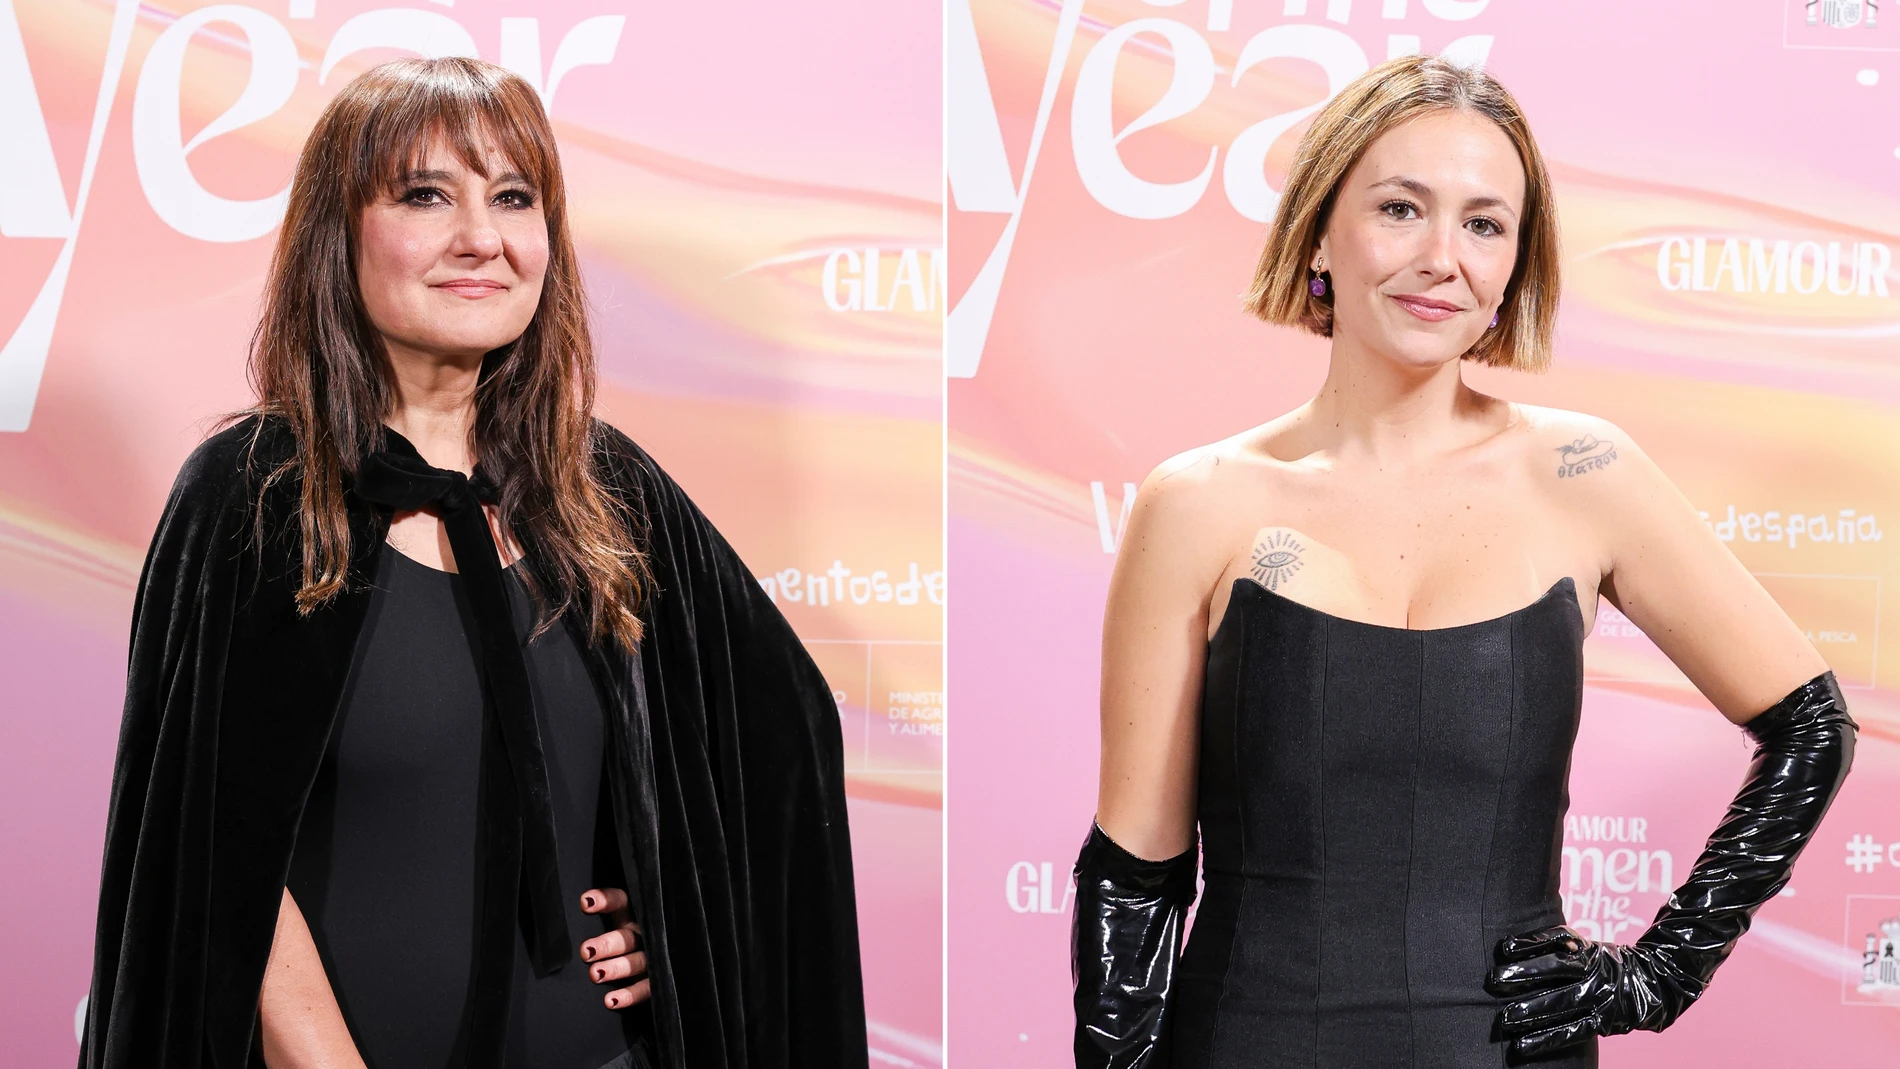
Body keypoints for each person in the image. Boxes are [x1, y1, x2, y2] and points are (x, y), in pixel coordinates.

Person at [79, 58, 866, 1069]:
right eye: (424, 195)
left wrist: (685, 920)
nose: (481, 239)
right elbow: (203, 854)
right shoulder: (255, 495)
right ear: (340, 234)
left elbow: (782, 741)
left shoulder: (606, 490)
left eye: (512, 197)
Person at [1072, 54, 1854, 1068]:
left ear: (1514, 264)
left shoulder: (1585, 472)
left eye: (1484, 224)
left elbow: (1811, 724)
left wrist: (1657, 973)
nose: (1443, 257)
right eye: (1400, 209)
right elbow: (1135, 875)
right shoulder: (1196, 501)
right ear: (1319, 228)